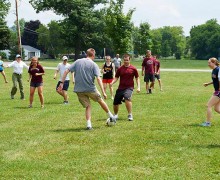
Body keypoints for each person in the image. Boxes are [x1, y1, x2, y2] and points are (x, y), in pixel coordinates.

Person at [58, 48, 115, 130]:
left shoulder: (78, 61)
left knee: (88, 106)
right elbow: (99, 79)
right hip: (90, 89)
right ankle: (111, 116)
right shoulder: (94, 64)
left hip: (79, 90)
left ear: (86, 54)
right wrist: (103, 92)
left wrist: (61, 83)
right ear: (94, 55)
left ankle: (89, 125)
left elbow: (66, 71)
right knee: (100, 100)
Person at [110, 54, 140, 121]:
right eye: (124, 60)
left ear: (129, 60)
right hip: (121, 88)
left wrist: (138, 87)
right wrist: (112, 82)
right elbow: (116, 77)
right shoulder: (120, 68)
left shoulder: (133, 68)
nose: (126, 61)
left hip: (129, 87)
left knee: (127, 98)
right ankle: (115, 115)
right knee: (115, 103)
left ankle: (130, 114)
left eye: (127, 60)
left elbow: (137, 78)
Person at [201, 57, 220, 127]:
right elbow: (215, 80)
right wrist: (208, 83)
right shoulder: (214, 70)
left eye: (209, 63)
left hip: (219, 91)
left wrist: (219, 90)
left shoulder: (218, 69)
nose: (208, 64)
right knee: (217, 109)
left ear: (214, 62)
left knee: (209, 105)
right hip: (217, 91)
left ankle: (208, 123)